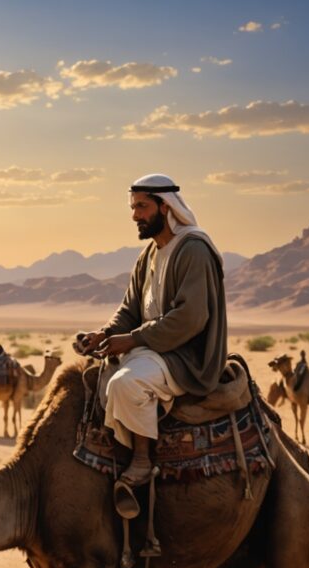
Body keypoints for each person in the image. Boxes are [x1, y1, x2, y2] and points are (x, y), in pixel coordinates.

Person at [77, 173, 227, 516]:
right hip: (153, 349)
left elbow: (191, 318)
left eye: (142, 207)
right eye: (133, 207)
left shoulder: (193, 249)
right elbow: (130, 310)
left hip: (186, 356)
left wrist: (131, 340)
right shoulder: (149, 254)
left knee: (127, 384)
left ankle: (142, 461)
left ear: (165, 206)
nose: (135, 216)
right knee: (92, 378)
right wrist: (103, 334)